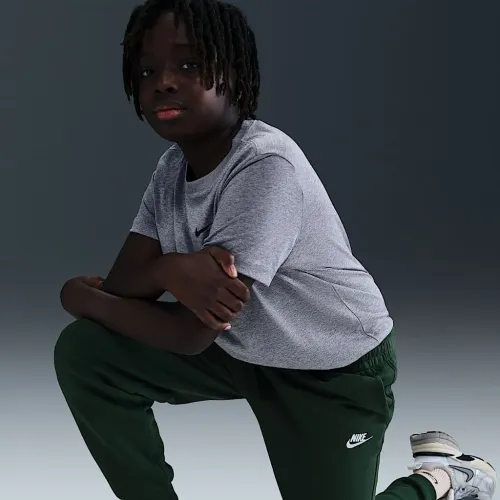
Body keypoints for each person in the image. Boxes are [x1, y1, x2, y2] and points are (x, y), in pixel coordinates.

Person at [53, 1, 496, 499]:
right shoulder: (170, 171)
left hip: (329, 366)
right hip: (241, 347)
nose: (164, 82)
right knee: (87, 352)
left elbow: (188, 333)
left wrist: (86, 295)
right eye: (146, 71)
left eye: (189, 64)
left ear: (235, 73)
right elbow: (122, 290)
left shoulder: (265, 166)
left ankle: (443, 478)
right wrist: (163, 272)